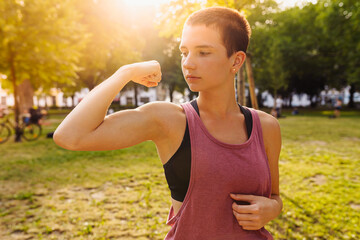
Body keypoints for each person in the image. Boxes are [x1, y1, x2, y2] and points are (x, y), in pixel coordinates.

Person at [54, 7, 282, 239]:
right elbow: (70, 136)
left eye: (203, 52)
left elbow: (274, 195)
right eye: (184, 52)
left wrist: (272, 208)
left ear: (236, 60)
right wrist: (125, 72)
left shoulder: (266, 127)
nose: (188, 63)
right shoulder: (169, 120)